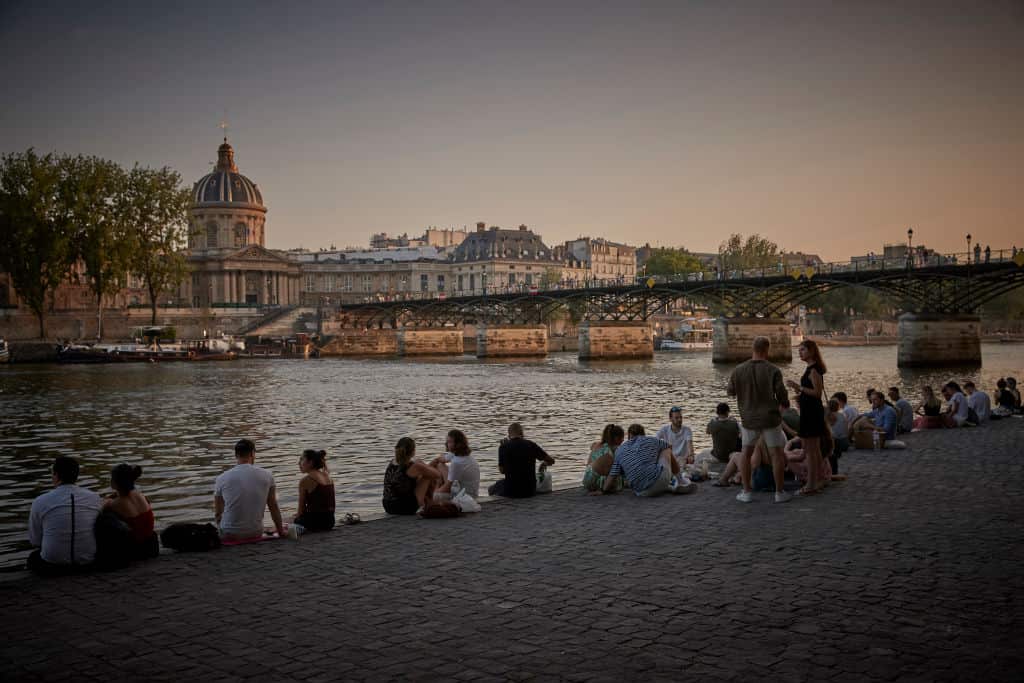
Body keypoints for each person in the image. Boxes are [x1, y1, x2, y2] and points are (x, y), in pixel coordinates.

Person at [726, 336, 793, 504]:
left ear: (753, 349)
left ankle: (747, 491)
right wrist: (785, 404)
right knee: (776, 454)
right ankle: (779, 493)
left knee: (746, 454)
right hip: (770, 418)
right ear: (767, 350)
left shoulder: (738, 369)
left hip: (749, 419)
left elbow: (730, 392)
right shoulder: (773, 370)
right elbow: (782, 394)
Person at [27, 456, 104, 575]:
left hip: (53, 565)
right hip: (88, 561)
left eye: (52, 473)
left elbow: (35, 541)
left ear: (56, 475)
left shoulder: (40, 501)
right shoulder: (94, 498)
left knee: (33, 557)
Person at [595, 424, 695, 497]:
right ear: (643, 434)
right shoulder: (651, 440)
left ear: (629, 437)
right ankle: (680, 481)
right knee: (666, 449)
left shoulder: (620, 450)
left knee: (648, 478)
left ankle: (671, 487)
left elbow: (613, 474)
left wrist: (603, 491)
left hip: (641, 492)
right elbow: (669, 447)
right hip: (659, 480)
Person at [214, 439, 285, 540]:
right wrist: (281, 532)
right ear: (252, 453)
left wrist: (220, 528)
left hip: (229, 534)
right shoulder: (267, 475)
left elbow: (218, 513)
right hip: (255, 532)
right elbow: (273, 506)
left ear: (236, 455)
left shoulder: (221, 478)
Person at [786, 340, 827, 495]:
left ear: (811, 351)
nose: (799, 352)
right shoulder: (812, 368)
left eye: (802, 350)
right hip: (811, 411)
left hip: (811, 413)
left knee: (810, 450)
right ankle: (818, 479)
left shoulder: (813, 370)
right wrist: (801, 395)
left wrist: (799, 387)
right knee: (814, 449)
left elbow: (817, 393)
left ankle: (811, 484)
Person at [97, 464, 159, 563]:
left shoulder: (116, 503)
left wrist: (108, 499)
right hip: (150, 544)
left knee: (104, 518)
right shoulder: (140, 495)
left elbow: (99, 508)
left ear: (115, 481)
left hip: (136, 549)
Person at [488, 423, 555, 498]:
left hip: (511, 491)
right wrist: (544, 464)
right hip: (530, 490)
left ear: (509, 435)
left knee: (491, 489)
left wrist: (504, 449)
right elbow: (551, 461)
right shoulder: (531, 444)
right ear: (522, 433)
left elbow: (502, 471)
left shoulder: (504, 447)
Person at [383, 437, 443, 515]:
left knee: (419, 476)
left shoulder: (392, 463)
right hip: (404, 508)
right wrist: (423, 463)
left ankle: (428, 503)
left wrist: (423, 467)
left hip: (387, 506)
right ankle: (430, 504)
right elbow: (437, 475)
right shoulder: (414, 466)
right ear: (413, 451)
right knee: (427, 477)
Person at [292, 449, 335, 535]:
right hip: (330, 522)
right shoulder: (328, 477)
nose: (299, 463)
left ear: (310, 462)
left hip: (315, 524)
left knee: (290, 519)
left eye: (301, 459)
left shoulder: (305, 481)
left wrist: (296, 518)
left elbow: (301, 510)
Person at [428, 430, 481, 499]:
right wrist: (427, 468)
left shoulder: (457, 462)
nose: (447, 444)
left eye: (450, 442)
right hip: (469, 492)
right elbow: (439, 459)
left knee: (431, 496)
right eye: (447, 441)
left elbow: (447, 489)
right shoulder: (459, 454)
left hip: (464, 496)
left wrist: (436, 488)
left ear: (458, 444)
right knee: (440, 465)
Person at [582, 424, 625, 492]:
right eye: (622, 437)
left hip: (587, 479)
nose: (623, 440)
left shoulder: (595, 444)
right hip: (598, 482)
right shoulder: (615, 449)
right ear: (616, 438)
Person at [826, 399, 849, 474]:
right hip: (845, 443)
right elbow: (846, 431)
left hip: (836, 444)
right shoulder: (842, 415)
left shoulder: (828, 417)